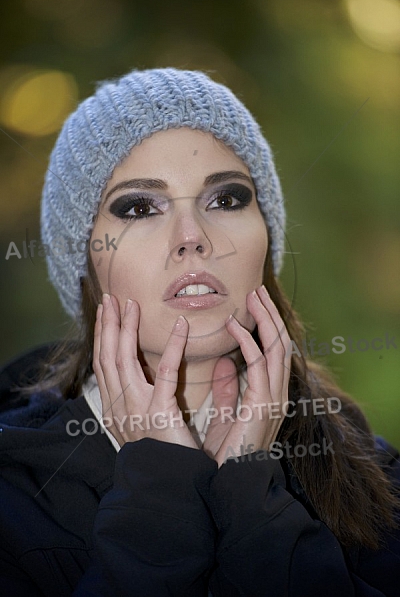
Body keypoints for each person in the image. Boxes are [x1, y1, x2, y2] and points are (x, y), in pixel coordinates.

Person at [0, 67, 399, 597]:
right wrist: (159, 492)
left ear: (266, 239)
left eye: (226, 199)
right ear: (87, 262)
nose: (192, 238)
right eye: (140, 207)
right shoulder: (15, 497)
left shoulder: (376, 478)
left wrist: (252, 497)